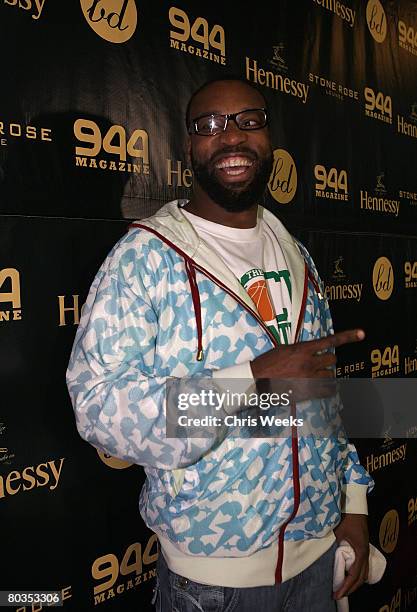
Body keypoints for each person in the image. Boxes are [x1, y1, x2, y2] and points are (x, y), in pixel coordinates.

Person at [66, 77, 374, 611]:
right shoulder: (146, 258)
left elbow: (319, 396)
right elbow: (98, 410)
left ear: (269, 137)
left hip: (319, 561)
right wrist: (249, 378)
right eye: (210, 125)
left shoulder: (297, 258)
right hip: (213, 585)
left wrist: (353, 501)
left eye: (247, 121)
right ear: (188, 147)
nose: (231, 137)